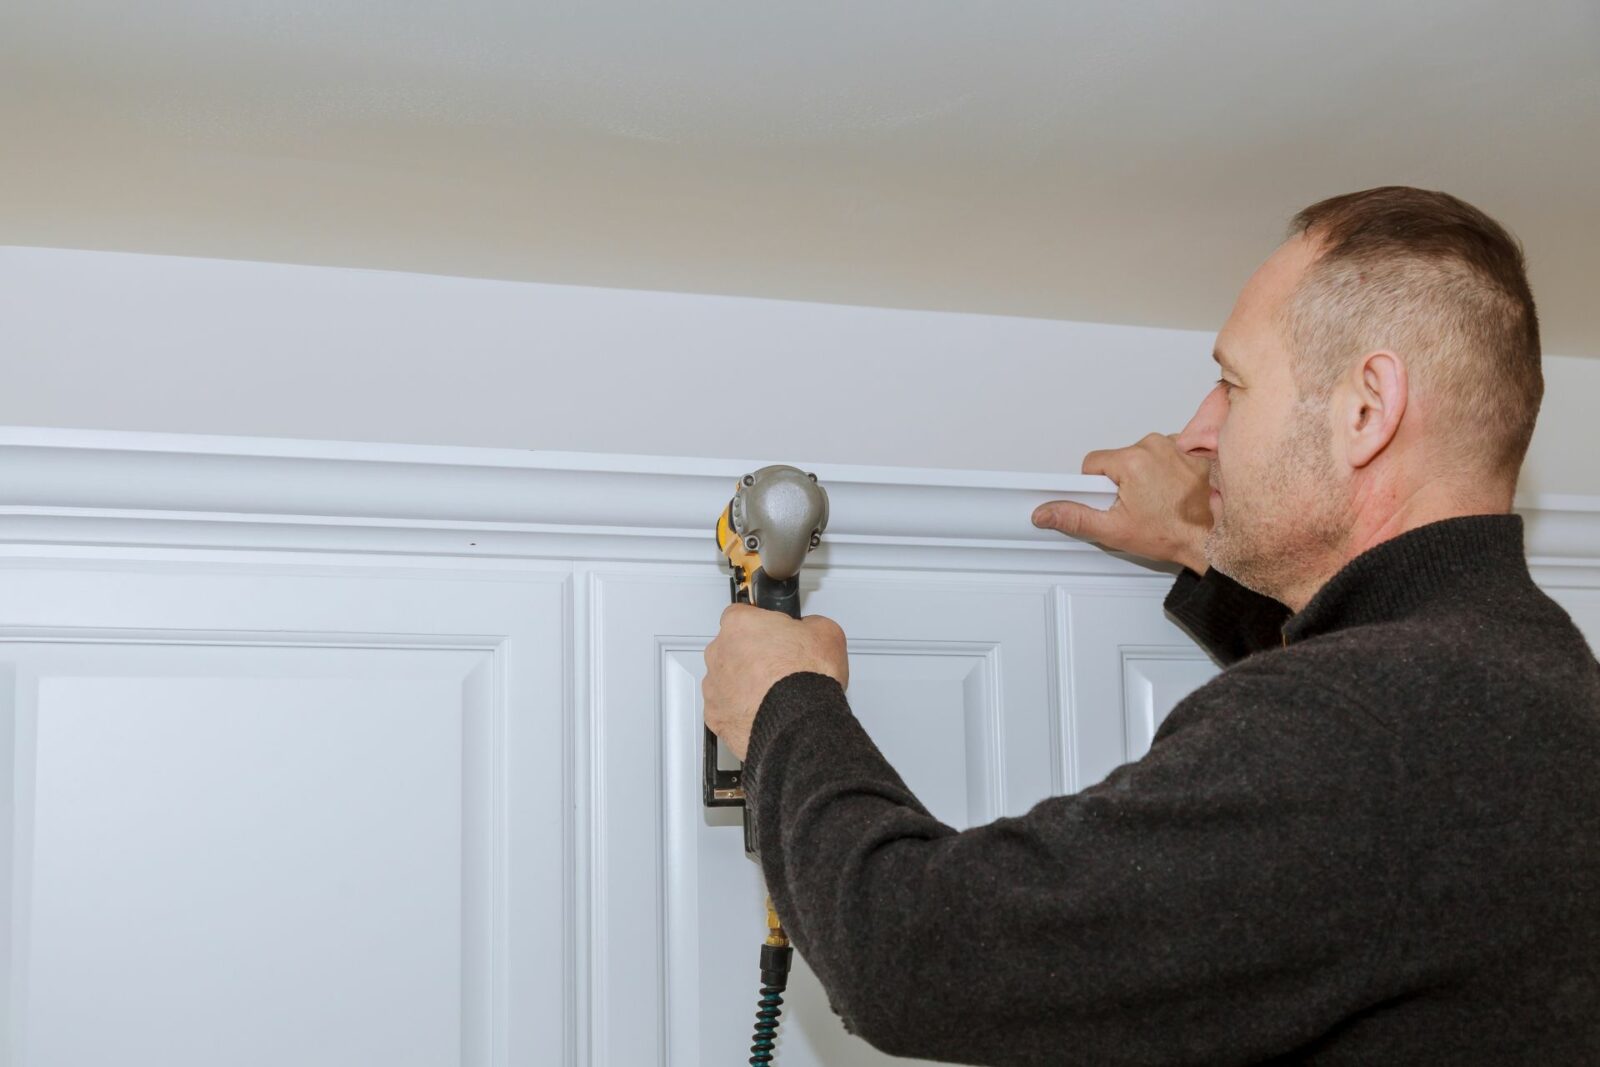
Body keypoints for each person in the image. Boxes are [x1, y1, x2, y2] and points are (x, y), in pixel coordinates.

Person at [702, 186, 1600, 1065]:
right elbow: (1365, 804)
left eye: (1232, 384)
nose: (1198, 431)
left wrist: (786, 705)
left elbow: (911, 957)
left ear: (1368, 409)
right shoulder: (1544, 684)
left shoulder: (1357, 727)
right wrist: (1206, 547)